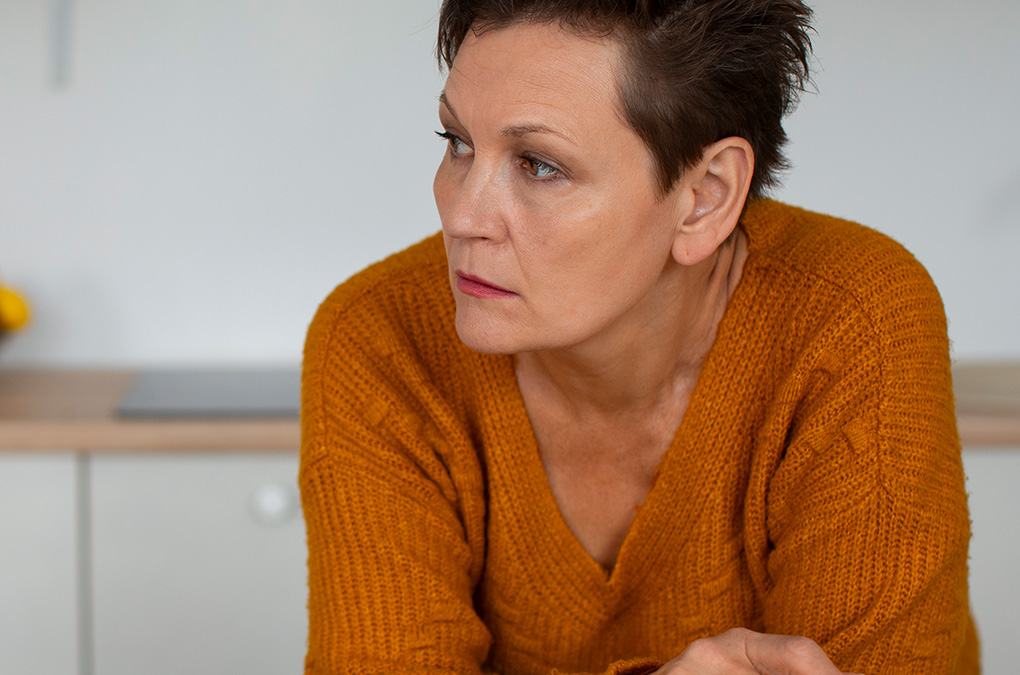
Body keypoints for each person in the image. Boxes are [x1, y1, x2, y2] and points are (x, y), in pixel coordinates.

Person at [299, 0, 979, 673]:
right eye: (458, 142)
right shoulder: (381, 340)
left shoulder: (855, 317)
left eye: (539, 164)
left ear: (704, 198)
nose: (463, 214)